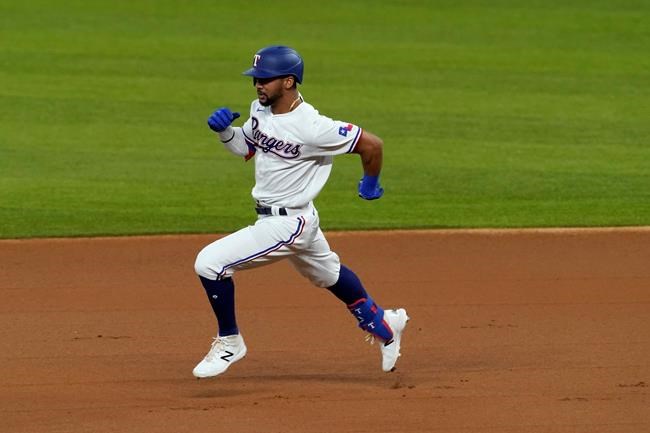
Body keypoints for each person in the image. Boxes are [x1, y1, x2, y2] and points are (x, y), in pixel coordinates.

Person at [192, 45, 409, 378]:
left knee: (210, 263)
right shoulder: (260, 110)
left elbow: (372, 144)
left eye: (265, 79)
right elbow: (247, 148)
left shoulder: (313, 127)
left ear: (289, 81)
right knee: (328, 275)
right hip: (281, 217)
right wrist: (225, 133)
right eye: (255, 79)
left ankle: (230, 341)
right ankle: (385, 325)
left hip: (290, 223)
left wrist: (370, 184)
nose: (257, 86)